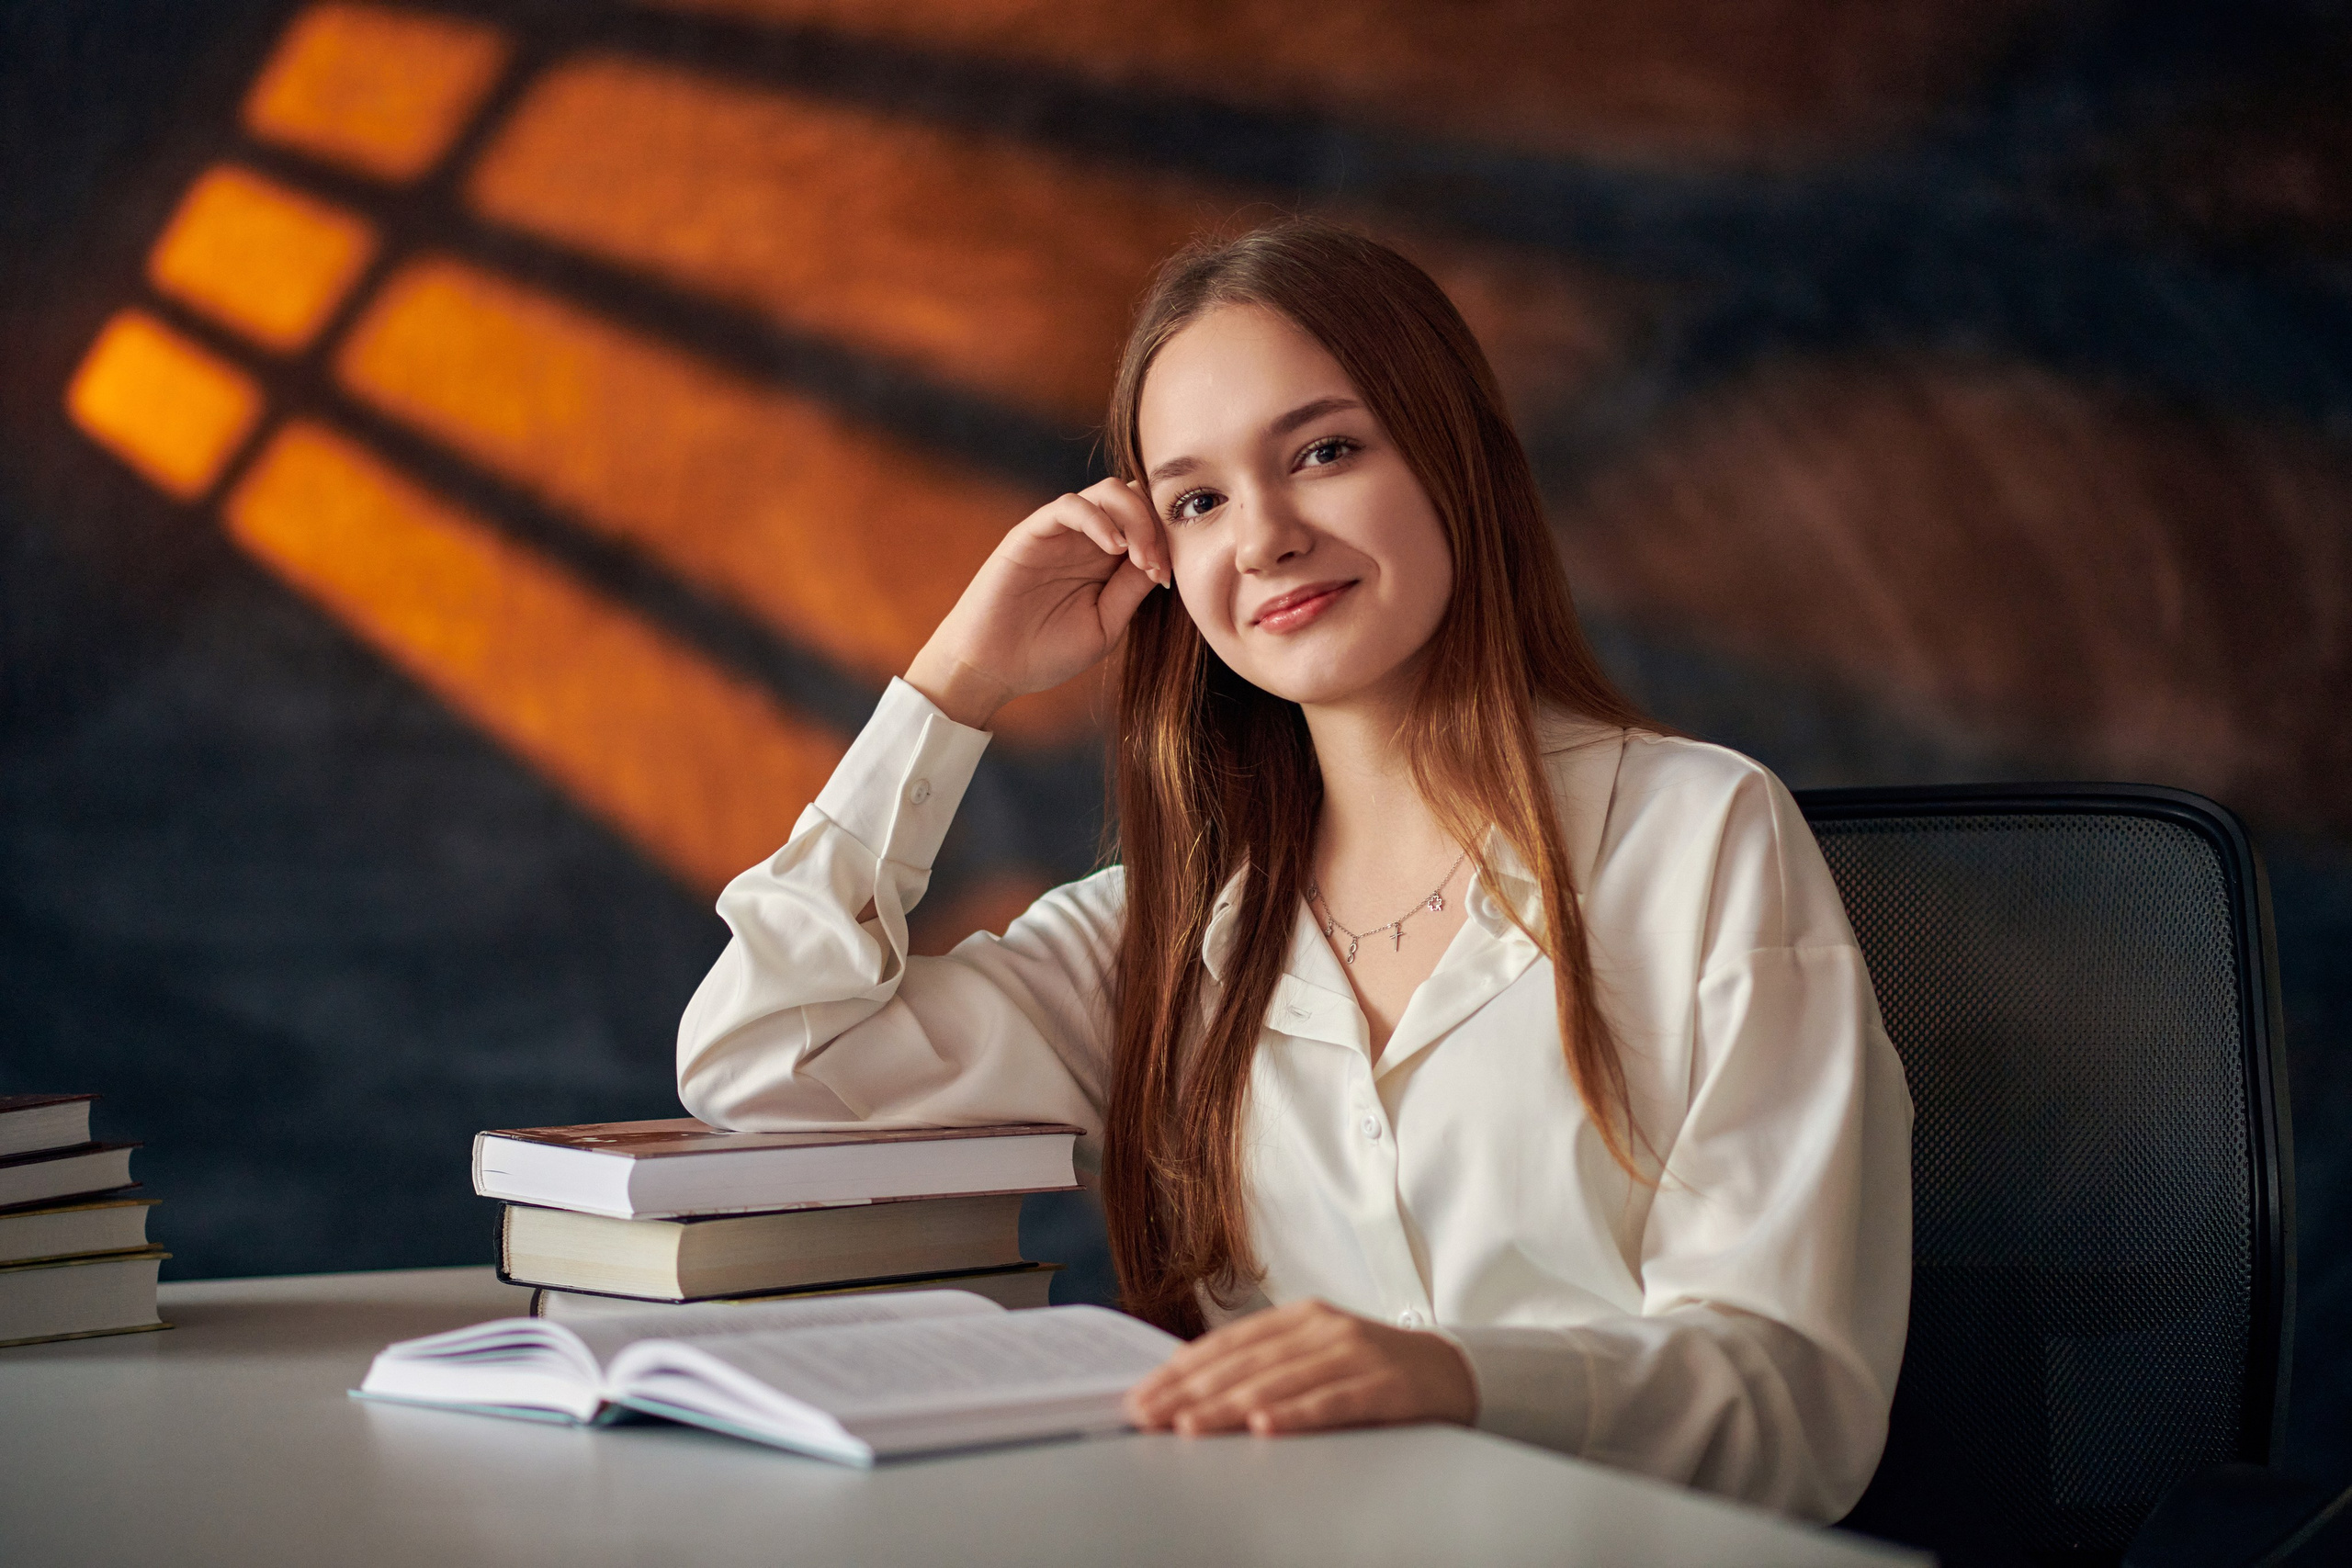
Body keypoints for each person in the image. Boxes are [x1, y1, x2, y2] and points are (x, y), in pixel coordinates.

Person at [676, 218, 1913, 1522]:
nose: (1262, 538)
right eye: (1196, 500)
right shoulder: (1160, 933)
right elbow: (762, 1065)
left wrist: (1454, 1379)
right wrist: (957, 682)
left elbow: (1795, 1399)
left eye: (1325, 452)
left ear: (1454, 464)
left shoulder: (1700, 836)